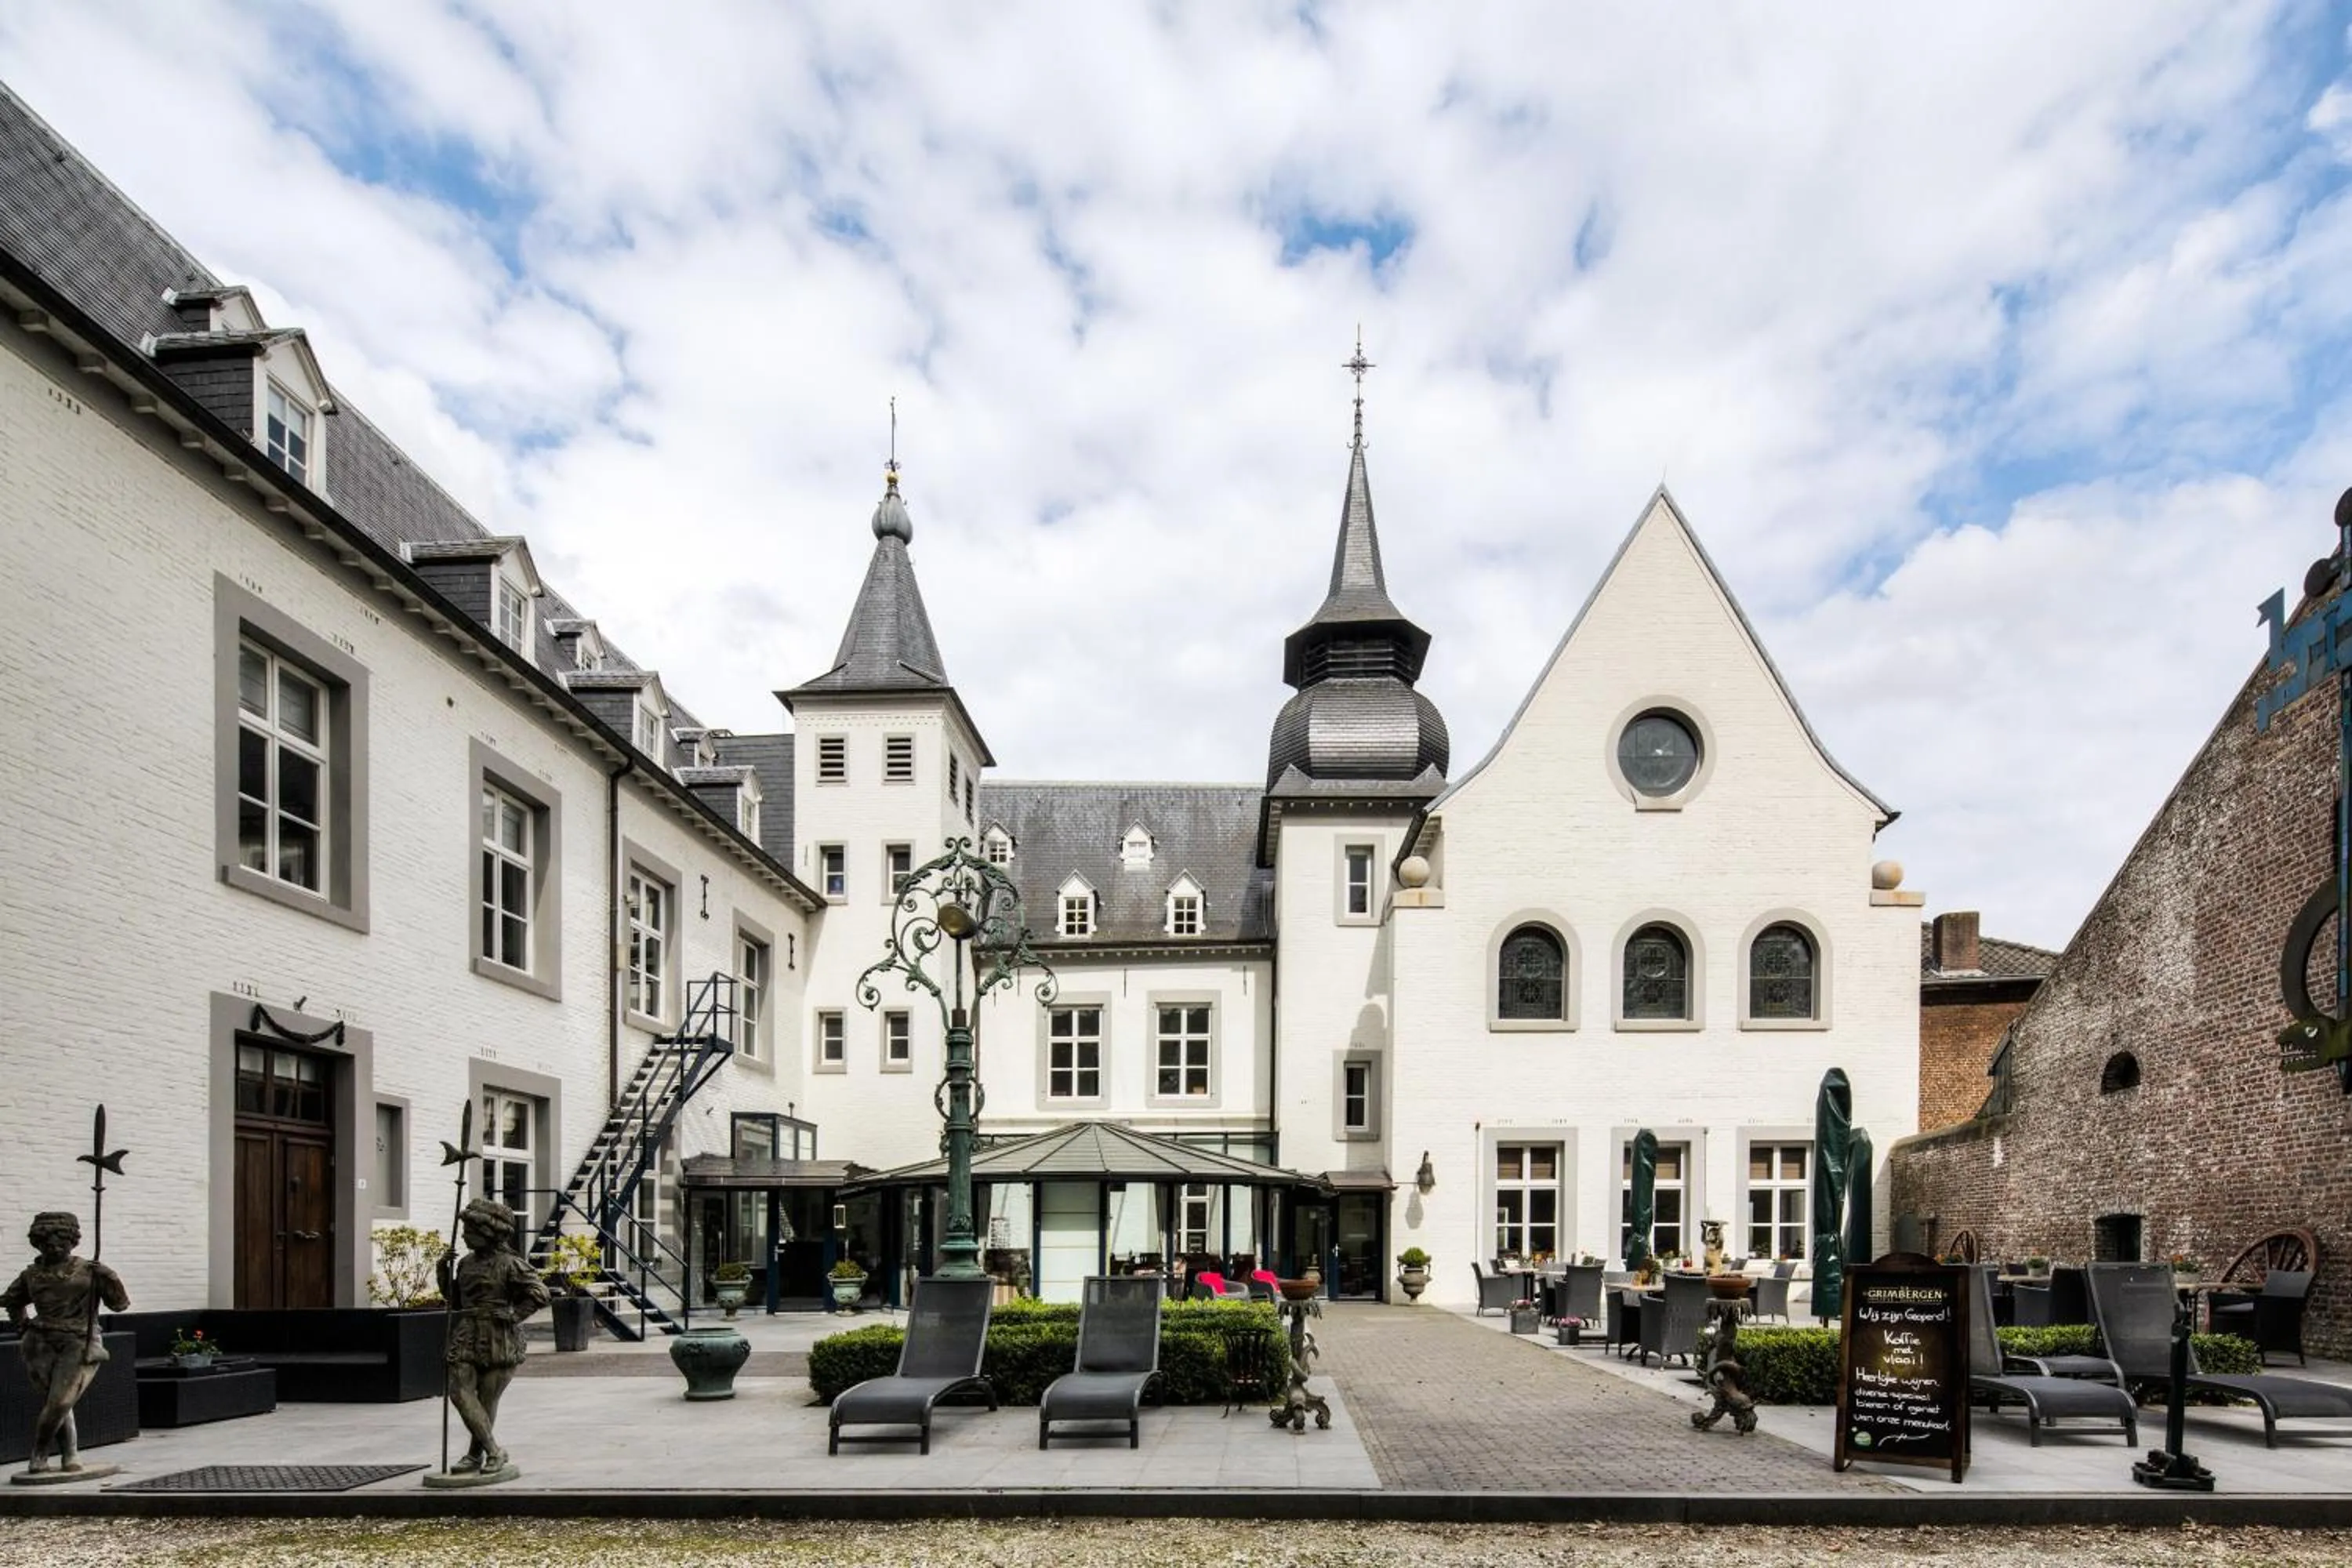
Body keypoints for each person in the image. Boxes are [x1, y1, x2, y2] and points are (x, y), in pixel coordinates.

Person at [2, 1212, 130, 1477]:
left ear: (72, 1242)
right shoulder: (32, 1274)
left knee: (61, 1401)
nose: (54, 1248)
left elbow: (119, 1305)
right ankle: (70, 1454)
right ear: (38, 1244)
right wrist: (22, 1325)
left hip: (80, 1341)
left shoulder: (88, 1271)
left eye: (61, 1243)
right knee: (56, 1401)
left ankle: (38, 1453)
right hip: (39, 1344)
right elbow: (12, 1300)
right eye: (46, 1244)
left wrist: (111, 1277)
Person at [436, 1196, 547, 1479]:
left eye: (470, 1231)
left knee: (486, 1400)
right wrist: (442, 1272)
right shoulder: (464, 1264)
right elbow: (455, 1302)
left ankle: (476, 1455)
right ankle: (495, 1451)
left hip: (499, 1337)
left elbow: (540, 1293)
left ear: (489, 1234)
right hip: (467, 1333)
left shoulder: (510, 1264)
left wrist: (514, 1315)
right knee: (459, 1393)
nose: (464, 1236)